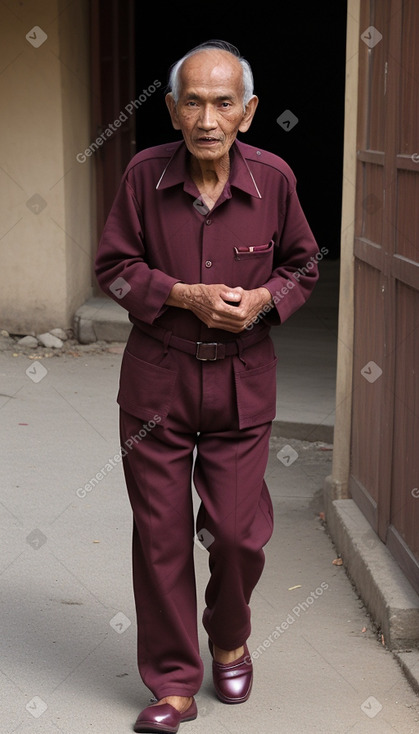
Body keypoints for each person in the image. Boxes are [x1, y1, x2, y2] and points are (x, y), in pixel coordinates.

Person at [95, 39, 320, 734]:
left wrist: (263, 302)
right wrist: (182, 294)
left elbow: (304, 266)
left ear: (247, 112)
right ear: (170, 108)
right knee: (160, 537)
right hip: (157, 384)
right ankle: (172, 684)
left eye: (223, 102)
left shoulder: (274, 178)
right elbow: (114, 268)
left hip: (241, 385)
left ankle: (229, 636)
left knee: (235, 533)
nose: (207, 117)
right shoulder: (142, 174)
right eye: (191, 101)